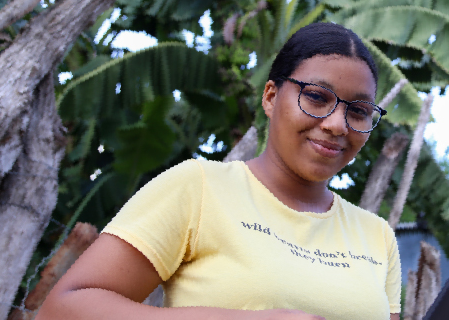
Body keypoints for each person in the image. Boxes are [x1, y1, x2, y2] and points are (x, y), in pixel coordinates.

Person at [38, 22, 402, 320]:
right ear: (271, 97)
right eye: (317, 97)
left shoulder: (377, 236)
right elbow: (63, 310)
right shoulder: (200, 187)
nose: (338, 124)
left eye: (358, 111)